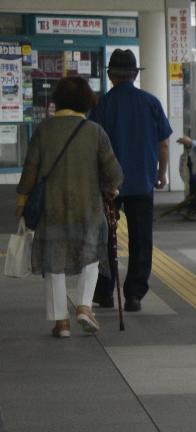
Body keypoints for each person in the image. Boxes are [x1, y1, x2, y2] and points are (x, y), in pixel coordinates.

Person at [17, 76, 121, 337]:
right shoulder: (95, 132)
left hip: (52, 209)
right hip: (88, 208)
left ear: (57, 100)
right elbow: (113, 173)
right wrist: (111, 187)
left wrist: (22, 201)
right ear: (87, 101)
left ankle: (61, 322)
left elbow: (30, 170)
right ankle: (85, 306)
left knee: (54, 262)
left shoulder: (44, 130)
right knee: (91, 256)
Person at [88, 47, 172, 311]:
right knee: (141, 239)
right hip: (142, 183)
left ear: (111, 76)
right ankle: (134, 294)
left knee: (106, 237)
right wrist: (161, 174)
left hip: (109, 185)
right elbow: (164, 144)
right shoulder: (150, 102)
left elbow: (94, 147)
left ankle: (104, 292)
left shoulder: (103, 105)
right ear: (135, 74)